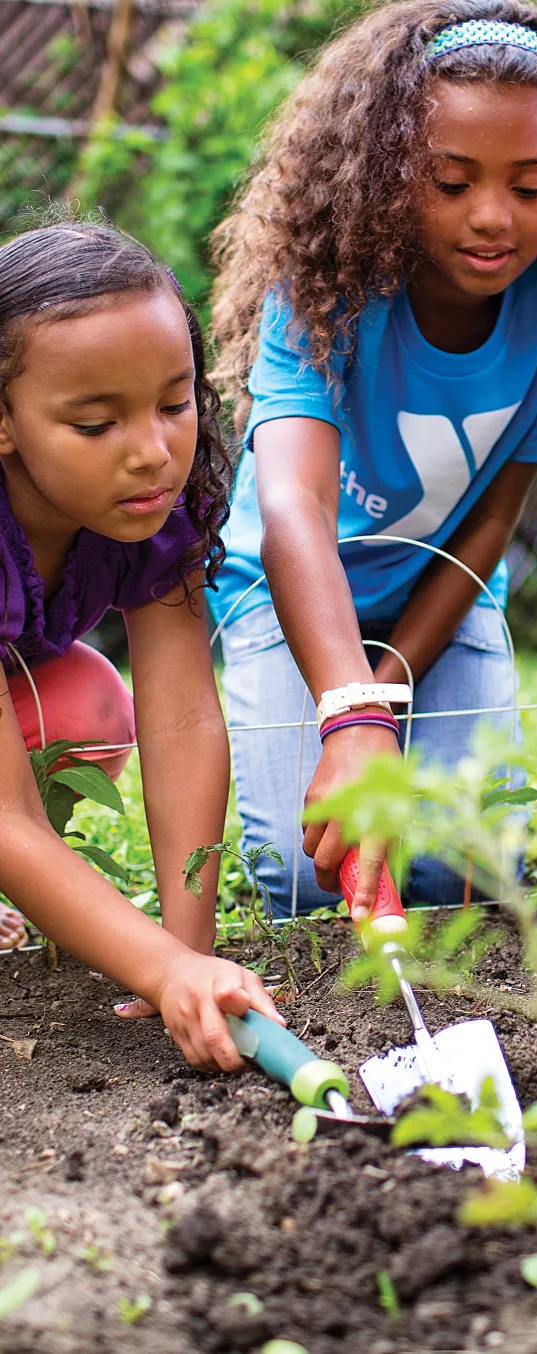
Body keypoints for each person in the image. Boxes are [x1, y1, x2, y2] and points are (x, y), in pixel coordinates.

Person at [210, 0, 537, 919]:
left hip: (443, 598)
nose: (492, 217)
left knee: (456, 870)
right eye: (452, 180)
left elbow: (492, 522)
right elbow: (293, 511)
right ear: (391, 173)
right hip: (294, 596)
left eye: (529, 184)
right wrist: (351, 717)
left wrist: (388, 694)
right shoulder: (325, 292)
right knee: (307, 879)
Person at [0, 220, 283, 1068]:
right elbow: (6, 817)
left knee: (88, 700)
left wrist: (187, 953)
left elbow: (184, 721)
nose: (154, 453)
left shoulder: (161, 514)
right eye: (96, 425)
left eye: (174, 402)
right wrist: (164, 972)